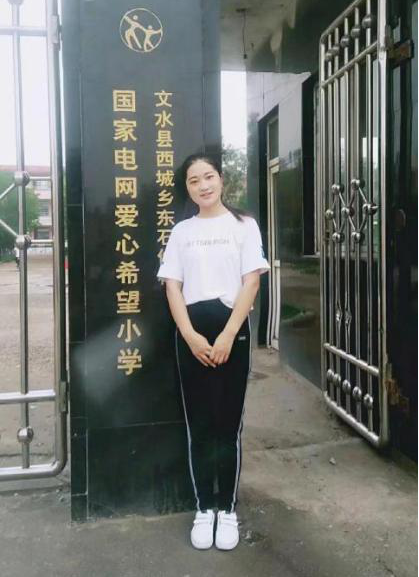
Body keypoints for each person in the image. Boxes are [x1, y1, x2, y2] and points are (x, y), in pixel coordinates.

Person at [157, 153, 270, 551]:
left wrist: (227, 335)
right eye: (194, 180)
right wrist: (189, 335)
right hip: (191, 337)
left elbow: (251, 283)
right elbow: (172, 286)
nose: (203, 185)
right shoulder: (182, 231)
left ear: (221, 180)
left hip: (231, 335)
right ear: (187, 189)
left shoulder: (244, 225)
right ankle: (205, 508)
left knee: (227, 426)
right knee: (200, 426)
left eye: (208, 177)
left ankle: (228, 509)